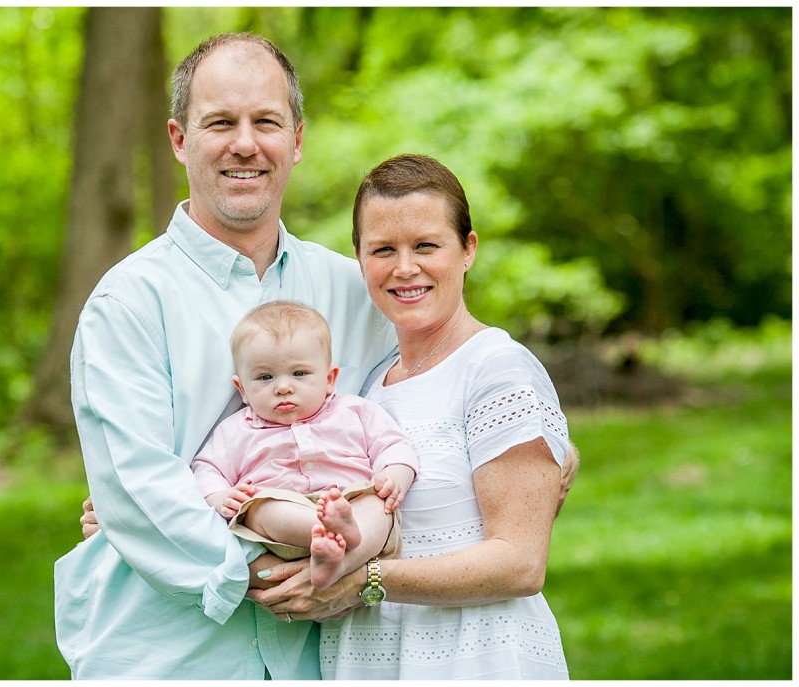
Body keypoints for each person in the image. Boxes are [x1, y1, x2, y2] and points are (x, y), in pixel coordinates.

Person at [53, 33, 400, 679]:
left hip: (317, 664)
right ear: (180, 139)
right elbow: (138, 487)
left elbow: (426, 404)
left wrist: (522, 432)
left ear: (296, 140)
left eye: (266, 121)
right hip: (169, 657)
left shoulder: (353, 292)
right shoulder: (128, 301)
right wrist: (274, 570)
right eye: (220, 122)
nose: (246, 143)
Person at [248, 153, 572, 679]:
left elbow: (520, 563)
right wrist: (156, 508)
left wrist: (366, 580)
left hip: (477, 659)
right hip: (370, 662)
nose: (404, 268)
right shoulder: (365, 387)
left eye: (426, 245)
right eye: (383, 249)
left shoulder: (496, 368)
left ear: (467, 250)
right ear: (359, 259)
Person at [191, 300, 419, 590]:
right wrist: (219, 496)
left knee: (379, 504)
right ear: (242, 390)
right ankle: (324, 535)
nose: (283, 387)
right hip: (286, 524)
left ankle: (339, 555)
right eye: (265, 377)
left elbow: (393, 443)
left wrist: (396, 473)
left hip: (349, 503)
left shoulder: (354, 411)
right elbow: (206, 467)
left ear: (329, 379)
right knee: (260, 509)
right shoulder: (237, 429)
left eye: (299, 374)